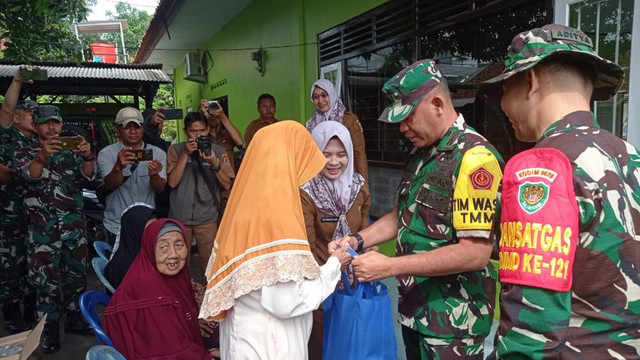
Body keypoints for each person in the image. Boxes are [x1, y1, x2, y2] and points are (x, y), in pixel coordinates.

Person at [484, 24, 640, 358]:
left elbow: (532, 330)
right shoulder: (629, 156)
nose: (503, 104)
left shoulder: (540, 169)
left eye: (504, 88)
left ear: (530, 81)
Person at [331, 60, 503, 359]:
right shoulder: (423, 154)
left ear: (437, 103)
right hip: (415, 312)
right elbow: (402, 215)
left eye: (408, 117)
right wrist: (356, 240)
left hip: (454, 325)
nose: (403, 128)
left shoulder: (475, 159)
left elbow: (475, 252)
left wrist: (389, 266)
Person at [199, 121, 351, 360]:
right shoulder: (279, 213)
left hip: (244, 341)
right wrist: (333, 266)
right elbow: (286, 301)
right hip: (268, 347)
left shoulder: (242, 208)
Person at [18, 105, 96, 353]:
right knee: (45, 284)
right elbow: (28, 176)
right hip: (43, 232)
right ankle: (48, 328)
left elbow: (89, 178)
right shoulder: (26, 150)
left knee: (76, 279)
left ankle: (75, 319)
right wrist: (41, 157)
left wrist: (87, 156)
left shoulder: (71, 151)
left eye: (56, 123)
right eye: (46, 123)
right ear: (36, 125)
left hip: (74, 229)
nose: (52, 128)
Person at [300, 120, 370, 360]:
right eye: (325, 154)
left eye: (341, 154)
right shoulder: (306, 192)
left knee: (352, 346)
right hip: (321, 287)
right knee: (322, 347)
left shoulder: (358, 187)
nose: (333, 162)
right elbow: (306, 246)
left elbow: (365, 233)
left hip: (356, 285)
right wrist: (329, 273)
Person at [103, 219, 211, 360]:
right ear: (149, 249)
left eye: (179, 245)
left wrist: (189, 321)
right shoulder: (149, 291)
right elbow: (172, 353)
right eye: (163, 247)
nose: (173, 254)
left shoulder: (169, 277)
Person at [167, 112, 234, 271]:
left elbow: (227, 185)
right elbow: (172, 182)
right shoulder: (175, 150)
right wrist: (186, 154)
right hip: (180, 216)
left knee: (210, 263)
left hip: (207, 217)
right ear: (185, 132)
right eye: (193, 131)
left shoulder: (218, 151)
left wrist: (213, 162)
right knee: (179, 261)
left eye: (202, 131)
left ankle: (209, 293)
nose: (198, 135)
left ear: (208, 129)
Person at [98, 107, 167, 239]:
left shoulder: (157, 153)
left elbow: (160, 188)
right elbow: (111, 185)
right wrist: (118, 166)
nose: (133, 131)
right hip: (116, 225)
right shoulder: (106, 153)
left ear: (143, 128)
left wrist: (154, 175)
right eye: (127, 127)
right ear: (117, 129)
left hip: (147, 225)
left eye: (137, 126)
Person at [0, 98, 38, 334]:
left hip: (34, 217)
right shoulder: (6, 140)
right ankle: (12, 316)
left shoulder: (38, 142)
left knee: (32, 268)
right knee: (10, 269)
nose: (35, 117)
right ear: (16, 117)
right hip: (8, 217)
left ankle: (31, 311)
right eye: (30, 113)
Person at [306, 79, 368, 182]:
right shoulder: (310, 125)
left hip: (346, 178)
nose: (320, 101)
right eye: (316, 97)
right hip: (320, 182)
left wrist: (363, 182)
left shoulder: (348, 120)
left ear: (332, 94)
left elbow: (359, 152)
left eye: (324, 95)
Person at [103, 203, 157, 291]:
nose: (155, 232)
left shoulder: (136, 253)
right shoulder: (126, 266)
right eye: (149, 229)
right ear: (135, 230)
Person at [203, 100, 243, 171]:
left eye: (215, 112)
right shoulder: (201, 136)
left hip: (228, 178)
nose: (213, 115)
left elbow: (240, 142)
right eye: (209, 112)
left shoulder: (227, 134)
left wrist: (222, 116)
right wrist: (204, 115)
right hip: (208, 178)